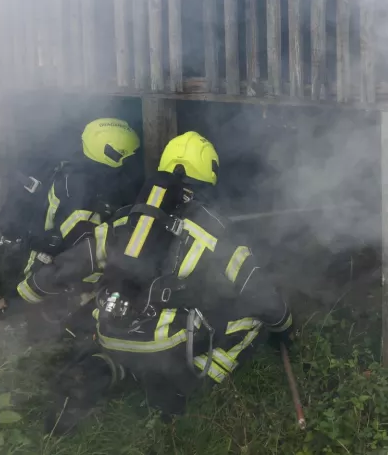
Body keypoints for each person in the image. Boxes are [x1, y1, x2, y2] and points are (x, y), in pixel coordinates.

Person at [93, 130, 294, 418]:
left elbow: (85, 262)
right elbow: (258, 291)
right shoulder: (215, 227)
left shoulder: (128, 217)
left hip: (110, 329)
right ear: (207, 174)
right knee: (253, 319)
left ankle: (116, 368)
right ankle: (189, 387)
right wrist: (285, 326)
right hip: (163, 343)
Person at [0, 117, 142, 333]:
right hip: (46, 263)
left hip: (58, 260)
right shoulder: (80, 188)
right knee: (48, 327)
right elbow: (82, 251)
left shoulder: (86, 174)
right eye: (123, 155)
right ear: (106, 152)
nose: (129, 163)